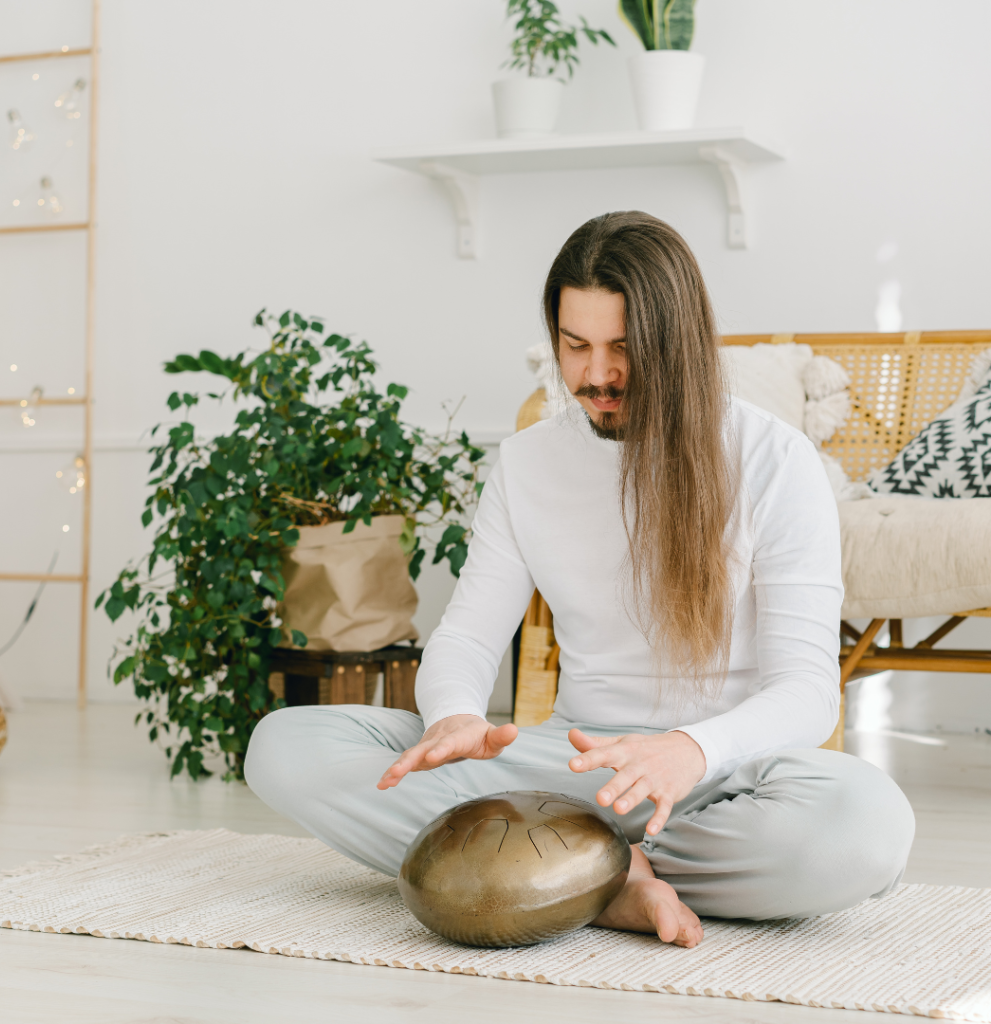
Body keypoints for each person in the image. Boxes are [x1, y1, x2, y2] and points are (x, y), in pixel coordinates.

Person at [245, 211, 915, 948]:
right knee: (285, 745)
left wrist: (687, 749)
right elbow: (468, 632)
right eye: (576, 346)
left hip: (719, 778)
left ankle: (548, 874)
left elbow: (807, 692)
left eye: (623, 349)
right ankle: (611, 879)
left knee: (864, 824)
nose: (596, 376)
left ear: (676, 342)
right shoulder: (527, 462)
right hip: (567, 768)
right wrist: (454, 716)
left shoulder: (773, 459)